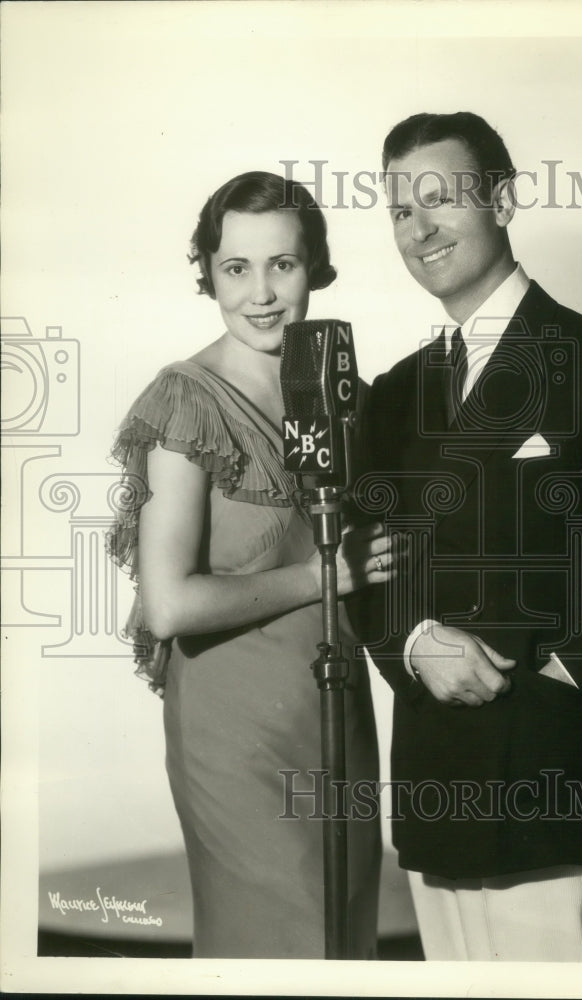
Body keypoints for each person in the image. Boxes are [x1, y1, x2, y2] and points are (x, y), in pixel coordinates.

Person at [346, 112, 582, 962]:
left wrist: (568, 668)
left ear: (504, 199)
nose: (419, 228)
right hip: (432, 789)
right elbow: (364, 566)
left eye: (441, 198)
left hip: (554, 778)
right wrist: (411, 643)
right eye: (400, 210)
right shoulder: (396, 392)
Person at [108, 171, 394, 959]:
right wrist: (323, 578)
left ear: (316, 268)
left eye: (283, 265)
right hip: (234, 733)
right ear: (208, 271)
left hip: (335, 717)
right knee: (277, 944)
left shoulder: (342, 393)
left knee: (344, 940)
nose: (261, 293)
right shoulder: (185, 402)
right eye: (236, 268)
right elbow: (168, 607)